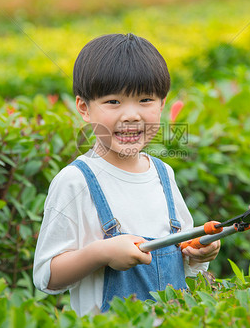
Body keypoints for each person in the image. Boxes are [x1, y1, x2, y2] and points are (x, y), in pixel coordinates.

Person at [33, 33, 220, 316]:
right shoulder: (75, 181)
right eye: (113, 102)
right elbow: (46, 276)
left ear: (162, 104)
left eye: (145, 99)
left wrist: (199, 250)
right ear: (84, 108)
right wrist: (102, 253)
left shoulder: (163, 173)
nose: (131, 115)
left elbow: (181, 255)